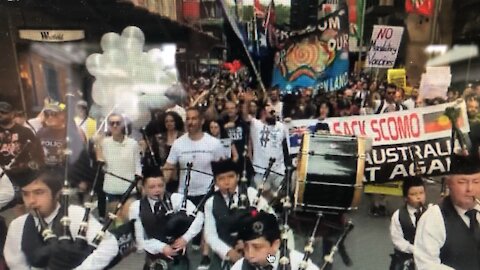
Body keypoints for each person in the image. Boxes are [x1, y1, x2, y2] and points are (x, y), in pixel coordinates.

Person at [3, 168, 118, 269]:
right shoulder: (18, 225)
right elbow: (16, 263)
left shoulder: (75, 214)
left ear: (57, 194)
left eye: (39, 192)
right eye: (26, 194)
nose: (31, 200)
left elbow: (108, 245)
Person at [163, 106, 226, 269]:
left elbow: (223, 169)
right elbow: (169, 167)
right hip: (184, 194)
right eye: (188, 119)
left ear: (202, 121)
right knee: (182, 229)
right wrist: (158, 185)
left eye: (194, 118)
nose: (190, 122)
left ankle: (205, 258)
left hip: (208, 192)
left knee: (206, 225)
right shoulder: (178, 144)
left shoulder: (214, 143)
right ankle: (180, 261)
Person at [129, 167, 204, 270]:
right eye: (152, 187)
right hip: (154, 262)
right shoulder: (136, 207)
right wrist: (161, 247)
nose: (157, 190)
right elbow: (139, 240)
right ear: (144, 187)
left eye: (160, 185)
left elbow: (199, 217)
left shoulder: (176, 199)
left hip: (178, 262)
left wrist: (185, 238)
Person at [414, 155, 480, 270]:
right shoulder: (434, 218)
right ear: (449, 184)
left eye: (476, 182)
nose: (470, 189)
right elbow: (426, 264)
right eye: (462, 182)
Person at [204, 159, 271, 269]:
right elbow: (210, 235)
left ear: (238, 177)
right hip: (226, 250)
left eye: (231, 177)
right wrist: (228, 252)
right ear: (215, 182)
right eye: (221, 179)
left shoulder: (251, 193)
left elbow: (270, 219)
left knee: (275, 260)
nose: (227, 182)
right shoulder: (211, 203)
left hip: (258, 248)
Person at [231, 211, 319, 270]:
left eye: (257, 247)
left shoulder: (297, 262)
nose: (250, 254)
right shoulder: (240, 267)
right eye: (246, 247)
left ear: (275, 245)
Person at [96, 113, 142, 222]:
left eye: (118, 123)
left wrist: (139, 183)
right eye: (112, 123)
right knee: (117, 222)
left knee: (129, 219)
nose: (115, 126)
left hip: (130, 189)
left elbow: (137, 165)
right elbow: (100, 161)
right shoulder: (104, 143)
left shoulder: (132, 144)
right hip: (111, 189)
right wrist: (97, 143)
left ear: (123, 125)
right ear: (109, 125)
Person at [242, 94, 291, 196]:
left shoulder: (282, 127)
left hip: (279, 172)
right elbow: (245, 116)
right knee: (261, 202)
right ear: (263, 110)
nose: (272, 109)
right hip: (261, 171)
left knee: (280, 200)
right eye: (268, 105)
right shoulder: (255, 124)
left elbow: (286, 148)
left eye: (273, 106)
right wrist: (247, 101)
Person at [389, 176, 426, 270]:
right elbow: (397, 241)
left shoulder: (431, 212)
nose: (419, 197)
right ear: (405, 198)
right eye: (413, 194)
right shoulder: (398, 215)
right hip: (405, 258)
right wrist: (414, 249)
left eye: (421, 193)